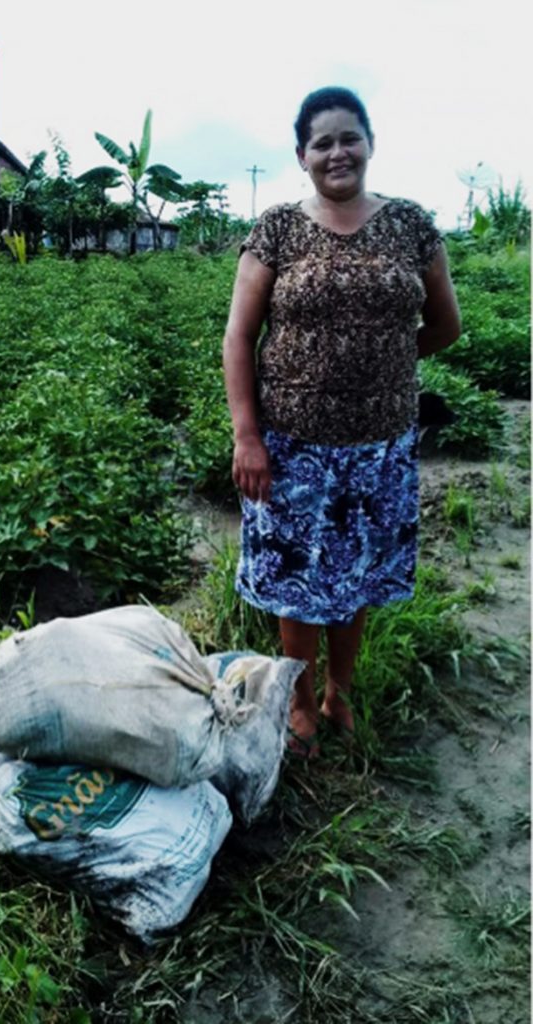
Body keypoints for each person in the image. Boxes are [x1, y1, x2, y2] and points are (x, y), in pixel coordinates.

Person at [222, 86, 461, 759]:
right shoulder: (277, 229)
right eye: (322, 141)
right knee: (297, 582)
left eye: (348, 137)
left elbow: (446, 325)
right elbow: (239, 337)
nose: (337, 152)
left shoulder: (412, 226)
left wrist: (383, 364)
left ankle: (340, 693)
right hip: (291, 445)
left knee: (354, 575)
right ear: (302, 156)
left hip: (379, 447)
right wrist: (248, 436)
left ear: (370, 143)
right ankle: (298, 702)